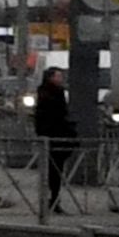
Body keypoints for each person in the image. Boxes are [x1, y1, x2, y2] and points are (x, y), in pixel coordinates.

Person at [32, 66, 78, 215]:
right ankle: (52, 200)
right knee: (54, 170)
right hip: (55, 136)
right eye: (58, 76)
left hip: (51, 135)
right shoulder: (52, 93)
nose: (61, 79)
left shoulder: (47, 92)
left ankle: (51, 200)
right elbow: (58, 113)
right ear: (50, 77)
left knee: (53, 170)